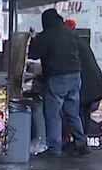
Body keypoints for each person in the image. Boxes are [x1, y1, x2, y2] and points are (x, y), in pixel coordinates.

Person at [29, 9, 90, 158]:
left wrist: (34, 39)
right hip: (75, 75)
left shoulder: (47, 35)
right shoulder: (71, 33)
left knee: (53, 113)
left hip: (58, 77)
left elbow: (33, 54)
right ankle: (81, 143)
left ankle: (54, 148)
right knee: (73, 113)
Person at [64, 19, 102, 151]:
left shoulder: (71, 43)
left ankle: (80, 144)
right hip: (92, 83)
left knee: (78, 113)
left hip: (86, 84)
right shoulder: (80, 41)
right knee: (84, 113)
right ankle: (82, 142)